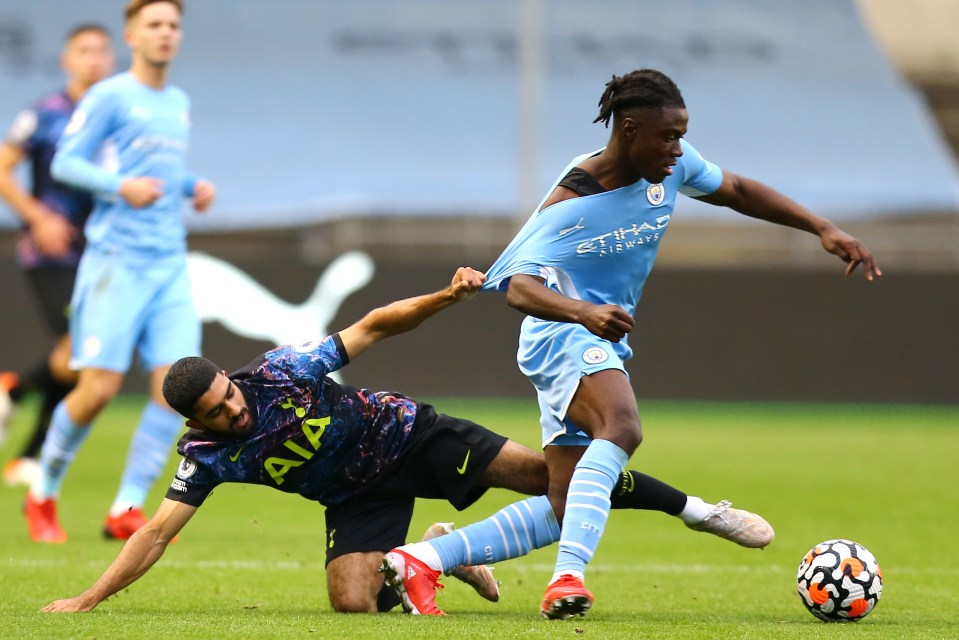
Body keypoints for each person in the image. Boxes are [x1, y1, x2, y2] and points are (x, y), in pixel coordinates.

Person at [384, 68, 881, 620]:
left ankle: (423, 558)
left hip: (594, 334)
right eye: (666, 136)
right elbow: (519, 290)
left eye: (680, 135)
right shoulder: (573, 201)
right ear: (627, 129)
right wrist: (584, 311)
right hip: (561, 332)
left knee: (564, 501)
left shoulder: (670, 165)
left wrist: (821, 228)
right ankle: (568, 579)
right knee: (622, 428)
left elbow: (736, 190)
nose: (677, 149)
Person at [40, 267, 771, 615]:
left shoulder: (276, 372)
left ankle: (700, 511)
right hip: (356, 497)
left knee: (553, 481)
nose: (235, 410)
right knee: (351, 603)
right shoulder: (207, 457)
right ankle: (435, 554)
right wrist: (90, 598)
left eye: (230, 396)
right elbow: (159, 535)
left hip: (412, 435)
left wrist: (445, 298)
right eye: (219, 411)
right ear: (194, 422)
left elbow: (373, 326)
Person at [24, 0, 216, 543]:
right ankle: (42, 493)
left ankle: (125, 507)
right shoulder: (110, 95)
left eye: (173, 25)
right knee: (99, 388)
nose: (165, 33)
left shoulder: (176, 101)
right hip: (116, 263)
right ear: (132, 34)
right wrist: (118, 187)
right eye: (154, 24)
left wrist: (191, 186)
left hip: (168, 265)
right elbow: (65, 161)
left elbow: (163, 169)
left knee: (175, 391)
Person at [0, 24, 114, 487]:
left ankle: (14, 401)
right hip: (52, 252)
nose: (93, 59)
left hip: (101, 251)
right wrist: (38, 216)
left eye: (102, 52)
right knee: (78, 352)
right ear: (67, 60)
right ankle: (26, 443)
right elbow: (3, 169)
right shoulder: (44, 114)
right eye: (84, 51)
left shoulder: (118, 115)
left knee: (79, 358)